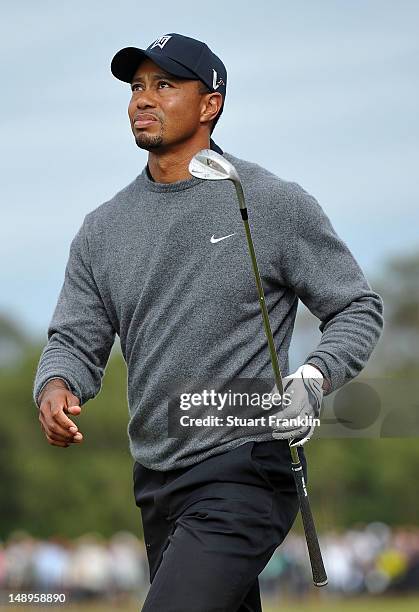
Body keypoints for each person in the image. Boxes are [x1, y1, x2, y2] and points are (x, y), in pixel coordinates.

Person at [33, 33, 384, 611]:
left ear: (209, 104)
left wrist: (314, 378)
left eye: (164, 85)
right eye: (137, 87)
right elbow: (75, 338)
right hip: (157, 477)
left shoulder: (268, 201)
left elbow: (355, 307)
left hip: (246, 466)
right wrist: (57, 383)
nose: (143, 100)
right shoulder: (103, 229)